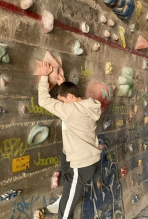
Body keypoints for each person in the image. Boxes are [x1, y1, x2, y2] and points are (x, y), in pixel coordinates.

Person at [36, 62, 103, 219]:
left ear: (71, 97)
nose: (61, 105)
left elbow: (43, 101)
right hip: (83, 158)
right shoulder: (86, 106)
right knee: (67, 196)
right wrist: (62, 85)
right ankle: (66, 196)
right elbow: (70, 112)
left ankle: (66, 201)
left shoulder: (70, 111)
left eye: (63, 101)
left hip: (81, 166)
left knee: (65, 212)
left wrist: (44, 76)